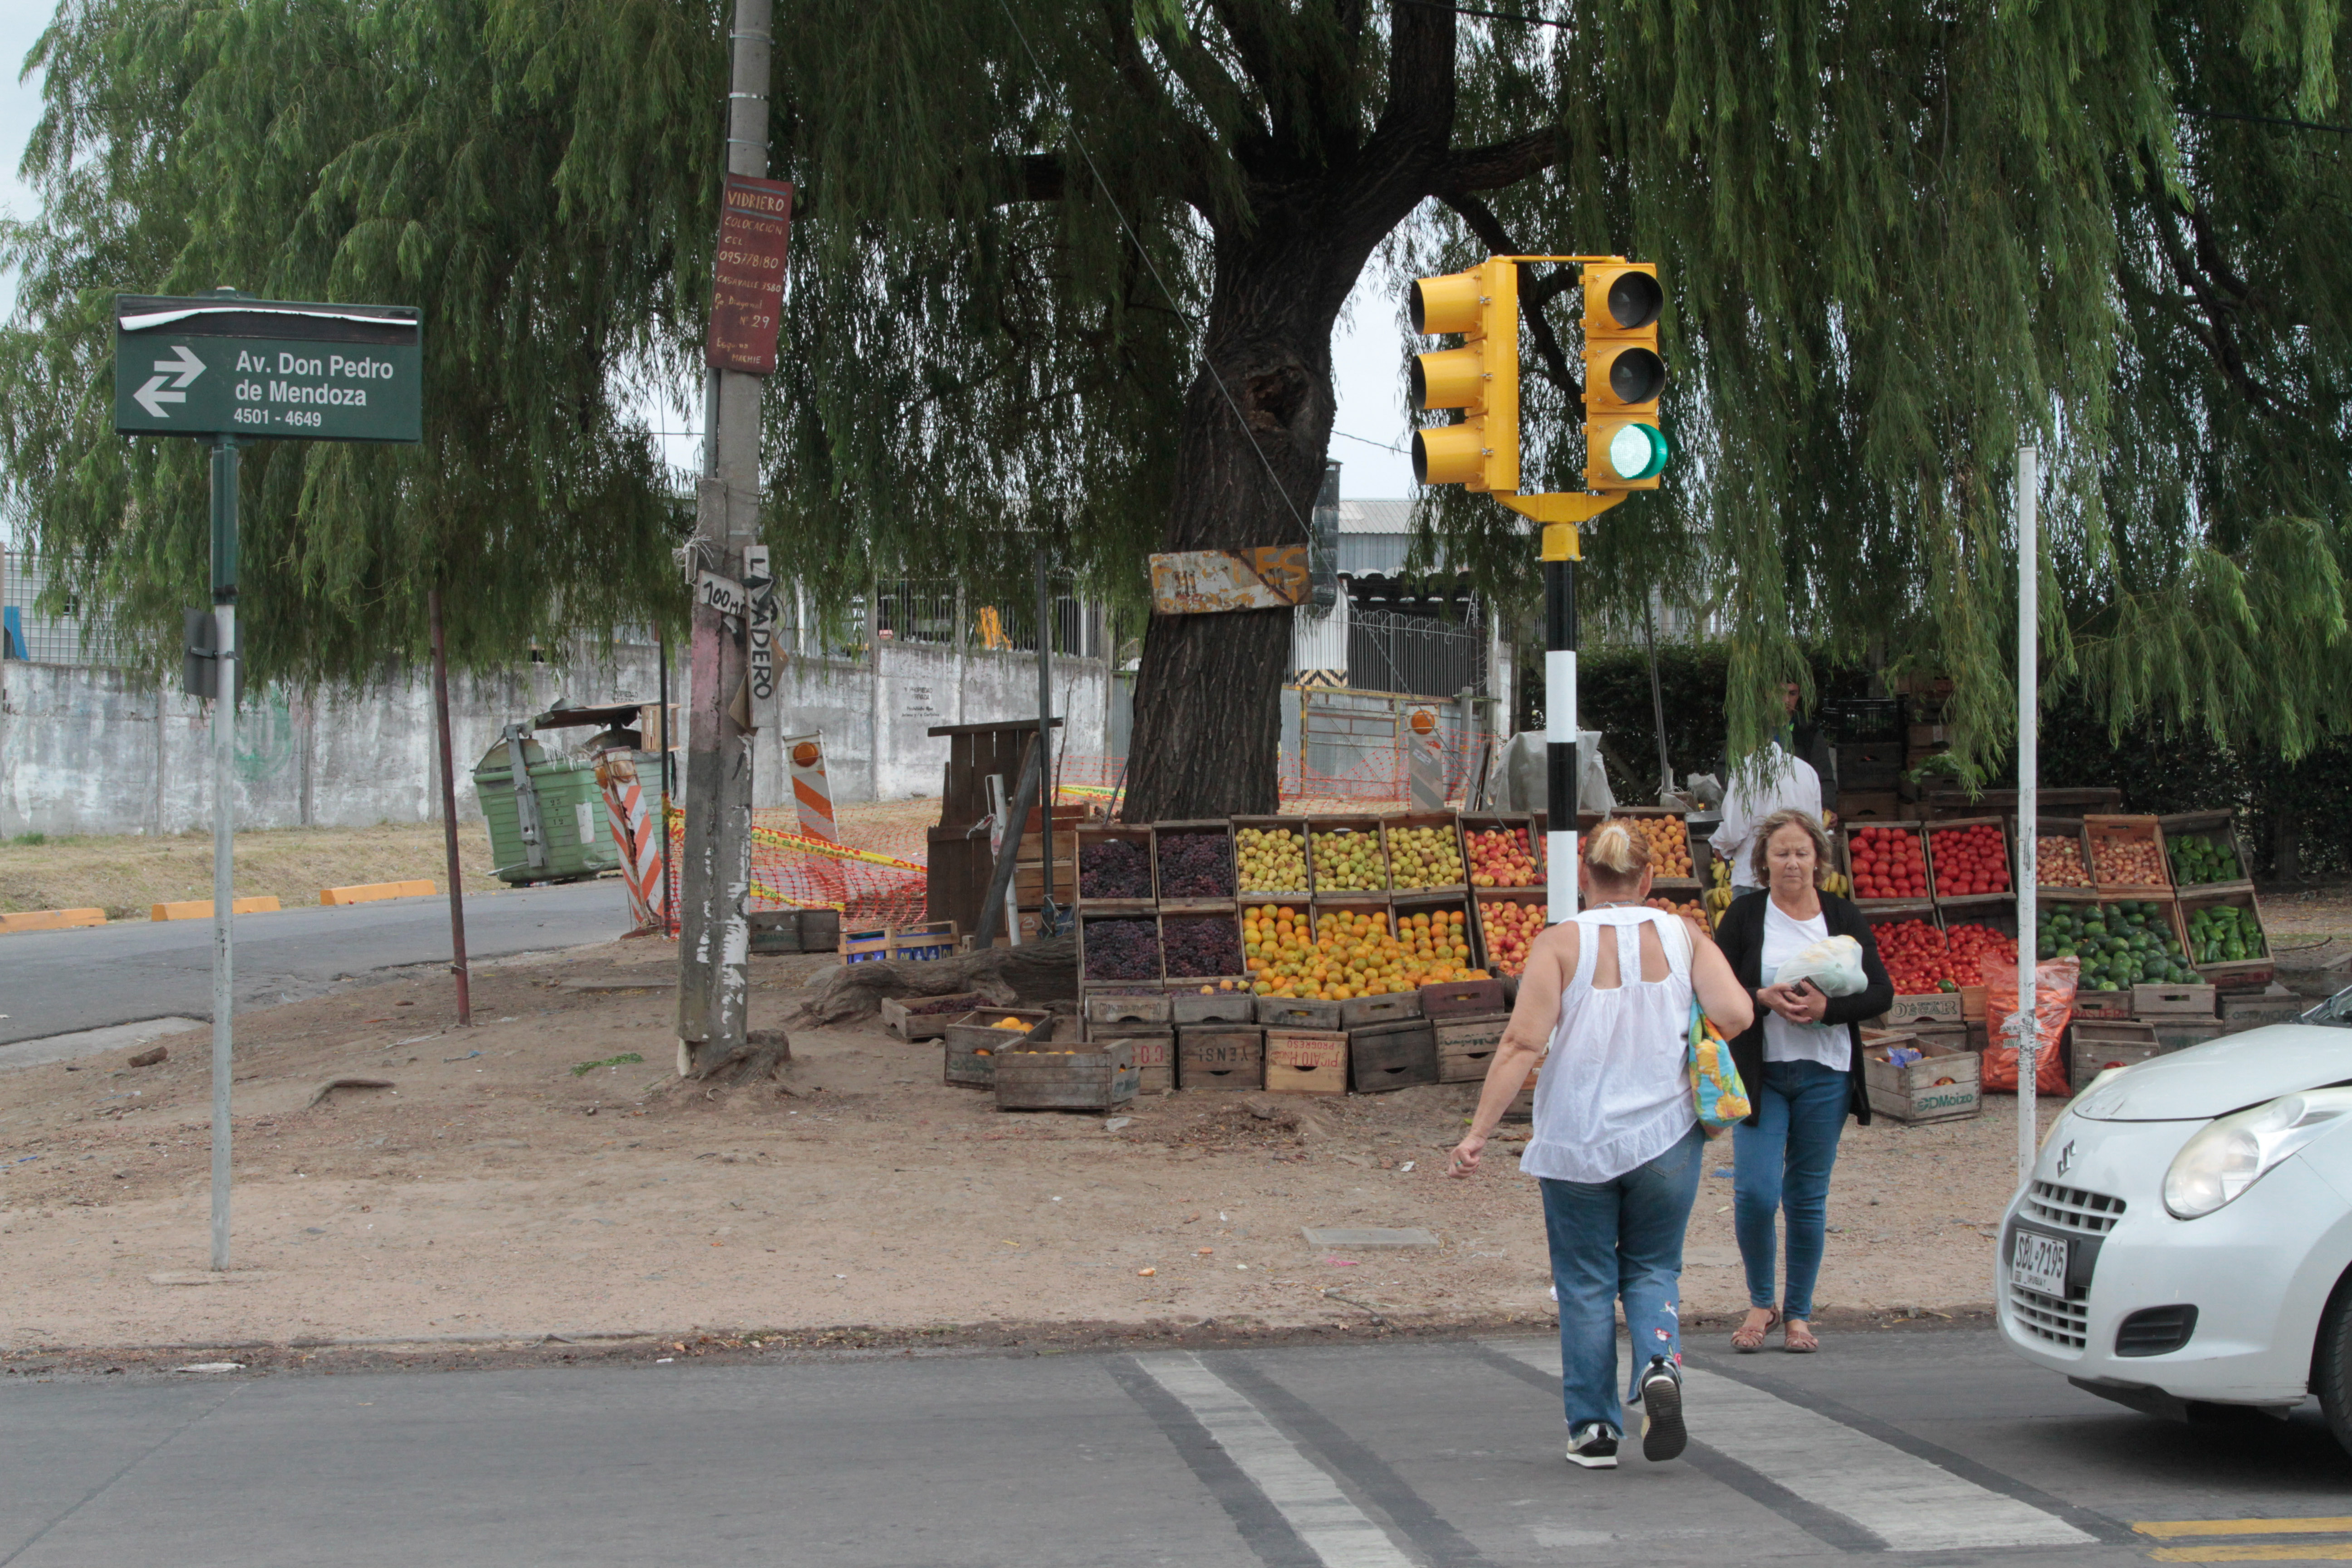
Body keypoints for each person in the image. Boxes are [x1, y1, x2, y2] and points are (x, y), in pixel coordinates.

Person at [1448, 819, 1755, 1470]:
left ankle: (1593, 1430)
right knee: (1652, 1267)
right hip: (1667, 1135)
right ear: (1648, 880)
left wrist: (1477, 1134)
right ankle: (1657, 1364)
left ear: (1585, 877)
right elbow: (1735, 1015)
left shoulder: (1559, 944)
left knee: (1586, 1283)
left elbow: (1521, 1045)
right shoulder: (1684, 934)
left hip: (1578, 1139)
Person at [1710, 808, 1892, 1354]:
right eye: (1781, 852)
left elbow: (1881, 994)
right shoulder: (1745, 917)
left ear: (1819, 860)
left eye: (1802, 852)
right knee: (1756, 1193)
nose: (1792, 861)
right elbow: (1714, 989)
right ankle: (1761, 1301)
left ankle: (1799, 1314)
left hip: (1825, 1074)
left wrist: (1828, 1008)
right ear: (1763, 861)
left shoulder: (1841, 917)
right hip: (1760, 1076)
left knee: (1807, 1198)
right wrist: (1759, 998)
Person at [1710, 711, 1824, 893]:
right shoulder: (1806, 771)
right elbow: (1816, 829)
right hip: (1798, 879)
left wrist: (1720, 845)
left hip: (1755, 878)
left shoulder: (1746, 769)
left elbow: (1735, 829)